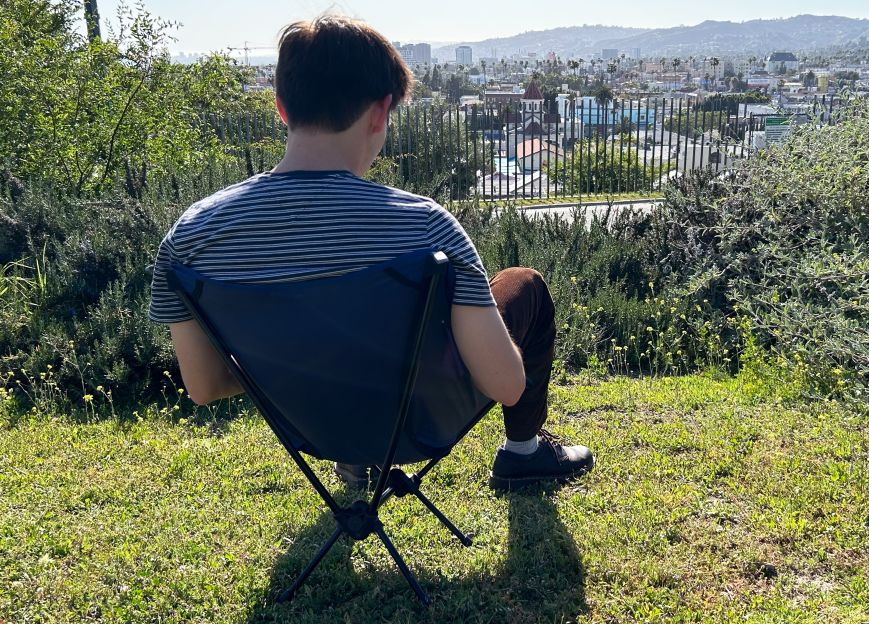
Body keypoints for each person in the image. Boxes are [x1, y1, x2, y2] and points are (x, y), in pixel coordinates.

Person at [147, 14, 593, 492]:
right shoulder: (425, 225)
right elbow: (506, 385)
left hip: (313, 427)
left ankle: (352, 456)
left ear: (281, 108)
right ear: (380, 112)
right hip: (416, 422)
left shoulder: (191, 238)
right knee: (522, 285)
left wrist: (301, 362)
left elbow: (204, 386)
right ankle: (523, 453)